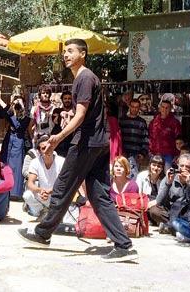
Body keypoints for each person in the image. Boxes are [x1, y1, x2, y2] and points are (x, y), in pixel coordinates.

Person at [17, 39, 138, 262]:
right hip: (99, 144)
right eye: (65, 52)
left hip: (86, 143)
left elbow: (81, 115)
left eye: (71, 51)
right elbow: (84, 114)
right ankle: (123, 244)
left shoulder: (83, 78)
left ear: (83, 54)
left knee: (63, 186)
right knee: (98, 193)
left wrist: (59, 136)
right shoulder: (87, 78)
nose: (66, 55)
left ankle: (43, 233)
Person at [149, 153, 190, 231]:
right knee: (154, 211)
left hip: (186, 213)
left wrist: (189, 183)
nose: (184, 169)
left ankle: (170, 226)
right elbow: (159, 201)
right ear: (178, 166)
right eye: (181, 166)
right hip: (170, 212)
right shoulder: (169, 177)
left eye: (187, 167)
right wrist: (168, 183)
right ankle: (173, 226)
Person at [0, 92, 32, 199]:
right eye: (16, 100)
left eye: (20, 100)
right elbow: (5, 110)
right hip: (8, 139)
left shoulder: (26, 116)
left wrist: (18, 110)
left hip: (18, 141)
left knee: (16, 165)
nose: (17, 103)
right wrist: (1, 101)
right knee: (5, 162)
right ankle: (2, 188)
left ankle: (14, 192)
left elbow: (19, 126)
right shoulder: (10, 112)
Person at [23, 135, 65, 218]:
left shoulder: (61, 161)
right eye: (43, 148)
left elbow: (64, 184)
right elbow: (30, 183)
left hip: (58, 196)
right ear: (39, 151)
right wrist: (40, 190)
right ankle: (43, 211)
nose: (47, 150)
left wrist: (50, 191)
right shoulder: (35, 162)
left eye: (49, 147)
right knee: (27, 195)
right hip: (42, 195)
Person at [149, 100, 182, 170]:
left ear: (170, 109)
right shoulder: (154, 122)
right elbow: (150, 137)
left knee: (168, 175)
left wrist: (178, 154)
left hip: (169, 155)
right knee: (155, 174)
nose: (164, 109)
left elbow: (179, 139)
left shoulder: (175, 123)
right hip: (155, 153)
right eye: (163, 107)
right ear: (160, 108)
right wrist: (151, 151)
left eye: (167, 108)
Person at [119, 98, 149, 167]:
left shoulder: (142, 122)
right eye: (132, 106)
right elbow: (119, 137)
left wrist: (142, 154)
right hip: (124, 153)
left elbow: (145, 139)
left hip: (136, 154)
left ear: (139, 108)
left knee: (134, 176)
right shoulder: (122, 120)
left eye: (136, 107)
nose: (134, 109)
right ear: (129, 106)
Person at [56, 91, 74, 157]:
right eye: (65, 98)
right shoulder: (57, 110)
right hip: (59, 141)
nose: (67, 100)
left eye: (69, 98)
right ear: (62, 100)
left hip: (71, 140)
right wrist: (64, 114)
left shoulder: (75, 112)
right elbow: (55, 121)